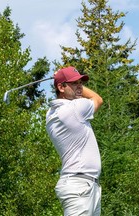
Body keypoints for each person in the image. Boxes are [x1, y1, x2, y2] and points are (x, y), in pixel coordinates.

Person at [46, 66, 103, 216]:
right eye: (74, 84)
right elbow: (98, 99)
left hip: (85, 185)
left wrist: (63, 81)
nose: (80, 87)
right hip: (79, 186)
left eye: (81, 83)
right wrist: (63, 81)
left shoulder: (51, 113)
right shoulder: (75, 108)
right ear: (61, 87)